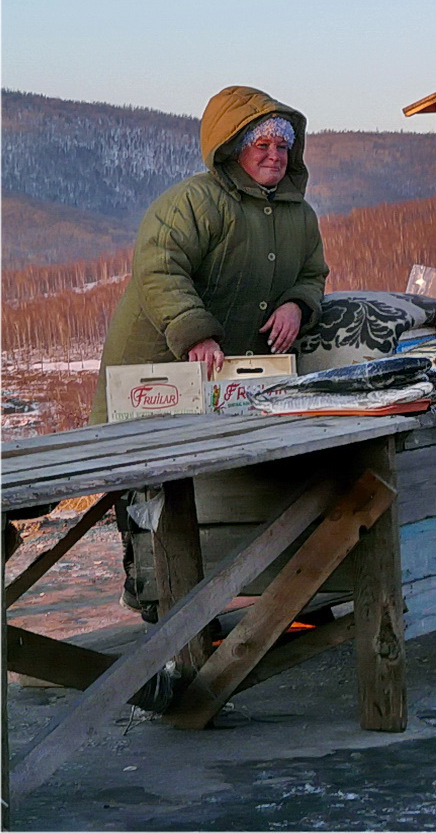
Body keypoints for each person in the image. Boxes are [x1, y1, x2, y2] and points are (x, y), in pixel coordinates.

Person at [89, 85, 330, 618]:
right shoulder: (193, 203)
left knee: (228, 482)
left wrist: (296, 305)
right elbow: (159, 266)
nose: (273, 155)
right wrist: (195, 331)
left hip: (224, 380)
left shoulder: (299, 216)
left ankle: (277, 596)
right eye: (260, 144)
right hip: (152, 373)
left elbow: (313, 274)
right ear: (231, 148)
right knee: (150, 484)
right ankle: (156, 599)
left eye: (281, 145)